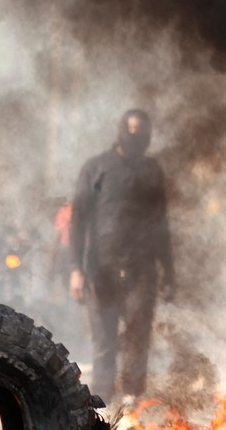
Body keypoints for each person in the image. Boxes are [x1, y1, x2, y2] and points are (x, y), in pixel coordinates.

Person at [68, 108, 175, 409]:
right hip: (101, 270)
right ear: (120, 131)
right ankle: (101, 407)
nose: (137, 137)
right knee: (104, 344)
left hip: (142, 269)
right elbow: (78, 221)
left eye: (143, 132)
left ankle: (132, 404)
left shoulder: (152, 170)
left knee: (137, 339)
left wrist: (170, 273)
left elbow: (162, 224)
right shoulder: (96, 167)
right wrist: (76, 269)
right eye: (132, 130)